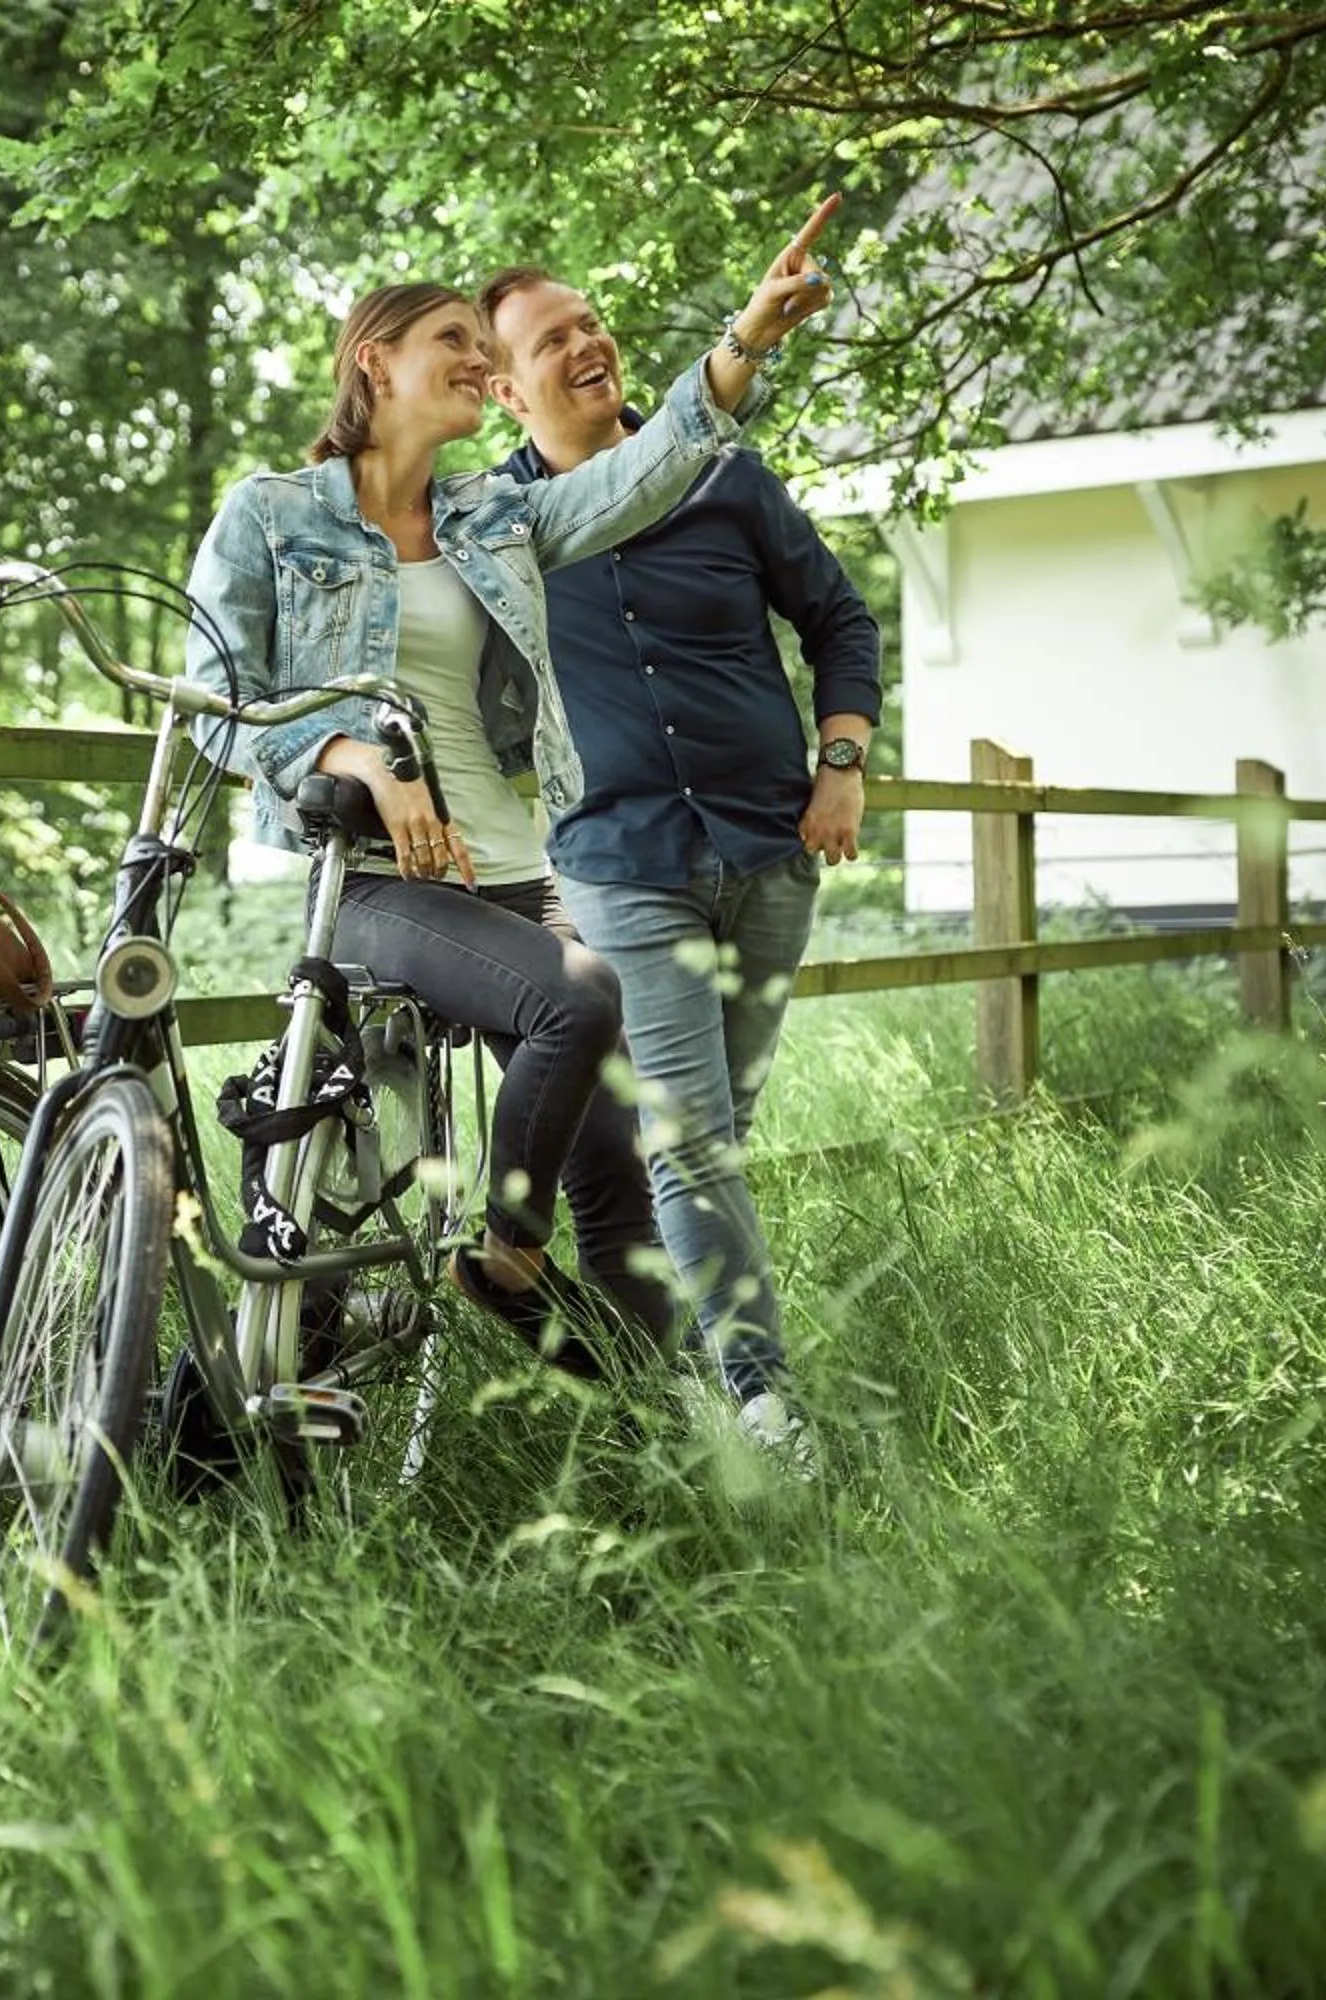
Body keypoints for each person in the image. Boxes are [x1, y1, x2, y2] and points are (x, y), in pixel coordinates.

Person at [181, 203, 840, 1374]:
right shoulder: (271, 515)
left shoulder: (495, 515)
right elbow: (219, 699)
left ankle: (646, 1434)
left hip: (520, 871)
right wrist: (358, 760)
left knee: (625, 1168)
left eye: (488, 356)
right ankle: (506, 1260)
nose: (479, 369)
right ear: (373, 362)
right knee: (578, 996)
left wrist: (746, 338)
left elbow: (643, 470)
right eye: (455, 344)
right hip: (378, 885)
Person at [476, 257, 885, 1447]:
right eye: (553, 339)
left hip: (770, 851)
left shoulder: (721, 474)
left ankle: (672, 1372)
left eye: (591, 322)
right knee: (693, 1141)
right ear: (504, 389)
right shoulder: (499, 525)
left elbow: (839, 618)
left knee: (717, 1138)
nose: (589, 344)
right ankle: (766, 1401)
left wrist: (843, 763)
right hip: (620, 866)